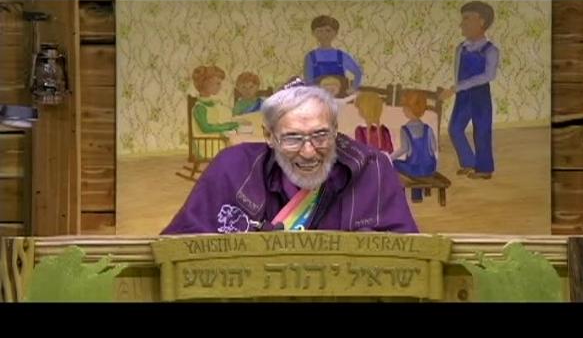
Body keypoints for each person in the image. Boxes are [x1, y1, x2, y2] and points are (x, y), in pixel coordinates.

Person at [161, 78, 418, 234]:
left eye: (320, 135)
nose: (308, 152)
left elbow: (409, 258)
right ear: (269, 136)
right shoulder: (232, 168)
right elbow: (180, 248)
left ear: (336, 130)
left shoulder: (372, 169)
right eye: (293, 138)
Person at [439, 1, 500, 180]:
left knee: (482, 131)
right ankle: (468, 162)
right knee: (455, 129)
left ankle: (484, 169)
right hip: (463, 96)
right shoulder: (461, 48)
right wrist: (456, 89)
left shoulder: (491, 50)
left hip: (480, 96)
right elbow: (457, 72)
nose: (462, 24)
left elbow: (488, 76)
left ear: (481, 21)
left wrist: (455, 88)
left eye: (466, 19)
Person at [391, 90, 437, 202]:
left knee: (394, 163)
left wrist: (389, 157)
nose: (403, 110)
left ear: (409, 109)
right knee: (416, 165)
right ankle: (417, 195)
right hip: (430, 168)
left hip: (415, 169)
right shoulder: (428, 128)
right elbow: (433, 148)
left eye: (404, 107)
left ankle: (400, 193)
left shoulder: (405, 129)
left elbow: (404, 149)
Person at [303, 15, 363, 91]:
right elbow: (308, 82)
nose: (324, 34)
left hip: (340, 95)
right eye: (319, 31)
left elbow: (358, 73)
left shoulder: (342, 56)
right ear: (313, 33)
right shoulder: (310, 57)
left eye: (328, 30)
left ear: (335, 33)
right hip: (319, 95)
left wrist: (353, 88)